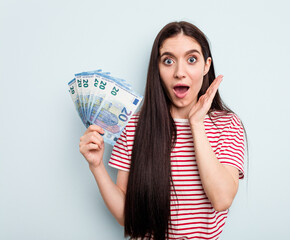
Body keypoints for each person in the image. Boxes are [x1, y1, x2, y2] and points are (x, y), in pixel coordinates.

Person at [79, 21, 247, 240]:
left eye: (191, 59)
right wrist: (97, 166)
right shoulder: (134, 126)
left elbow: (222, 199)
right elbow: (126, 216)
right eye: (168, 61)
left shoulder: (227, 124)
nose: (179, 72)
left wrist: (196, 124)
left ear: (206, 66)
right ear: (157, 69)